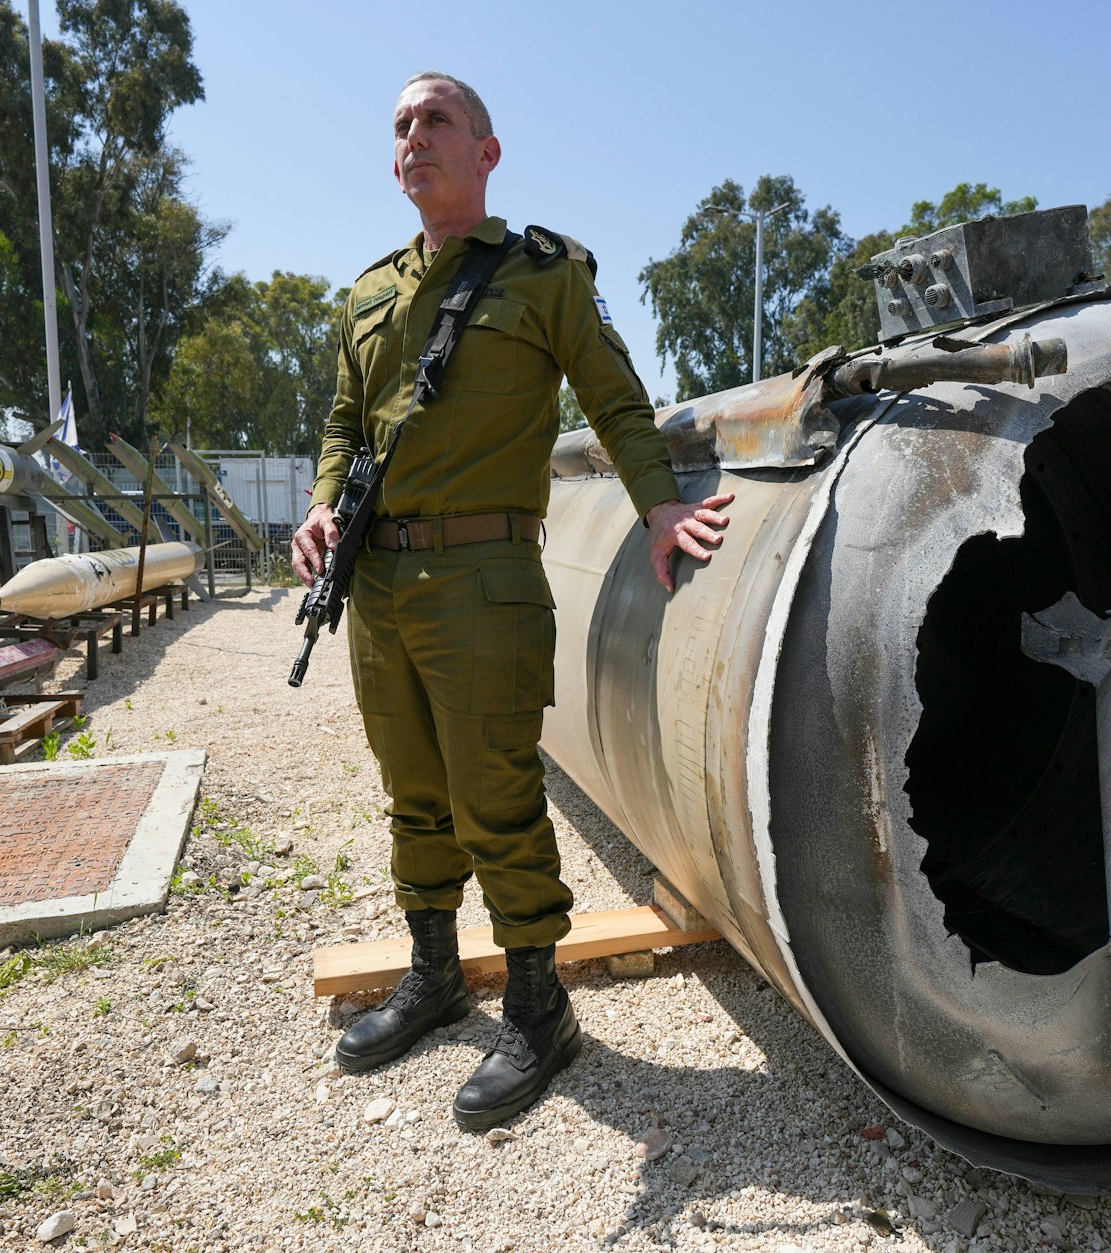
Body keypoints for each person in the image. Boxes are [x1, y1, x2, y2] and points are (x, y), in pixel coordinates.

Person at [291, 71, 733, 1130]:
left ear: (487, 153)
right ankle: (435, 970)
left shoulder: (542, 276)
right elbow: (344, 430)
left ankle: (539, 1008)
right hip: (378, 581)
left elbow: (614, 397)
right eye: (400, 125)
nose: (414, 137)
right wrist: (317, 509)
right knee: (412, 790)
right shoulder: (364, 295)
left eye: (436, 120)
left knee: (494, 793)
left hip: (484, 576)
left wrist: (660, 507)